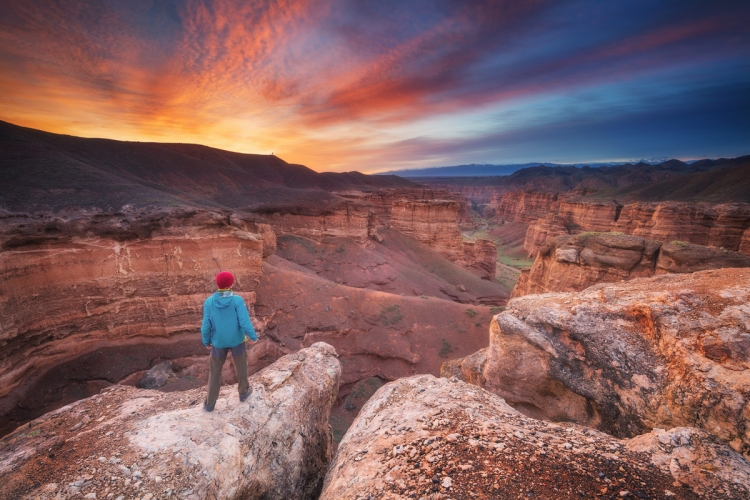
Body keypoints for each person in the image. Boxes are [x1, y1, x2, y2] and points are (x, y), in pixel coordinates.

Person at [201, 271, 257, 412]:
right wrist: (253, 336)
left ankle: (210, 404)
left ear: (217, 284)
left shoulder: (209, 302)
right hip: (237, 340)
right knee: (242, 368)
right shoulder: (237, 300)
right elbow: (244, 321)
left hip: (218, 342)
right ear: (231, 284)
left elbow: (206, 326)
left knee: (214, 373)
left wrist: (206, 341)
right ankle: (243, 393)